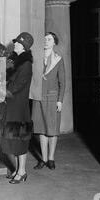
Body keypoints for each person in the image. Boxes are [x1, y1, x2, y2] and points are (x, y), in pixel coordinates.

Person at [0, 32, 34, 184]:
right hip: (11, 106)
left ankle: (22, 171)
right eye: (16, 42)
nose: (15, 44)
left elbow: (17, 86)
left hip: (19, 107)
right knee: (13, 139)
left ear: (25, 47)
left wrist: (3, 90)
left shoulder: (26, 65)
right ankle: (17, 169)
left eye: (19, 43)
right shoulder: (14, 61)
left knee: (20, 139)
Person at [32, 32, 65, 170]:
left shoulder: (58, 59)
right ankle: (43, 159)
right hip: (38, 97)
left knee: (52, 129)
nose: (46, 41)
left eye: (49, 39)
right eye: (44, 39)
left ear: (54, 42)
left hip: (52, 99)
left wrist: (60, 101)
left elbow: (62, 82)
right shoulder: (36, 57)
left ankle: (51, 158)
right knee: (41, 129)